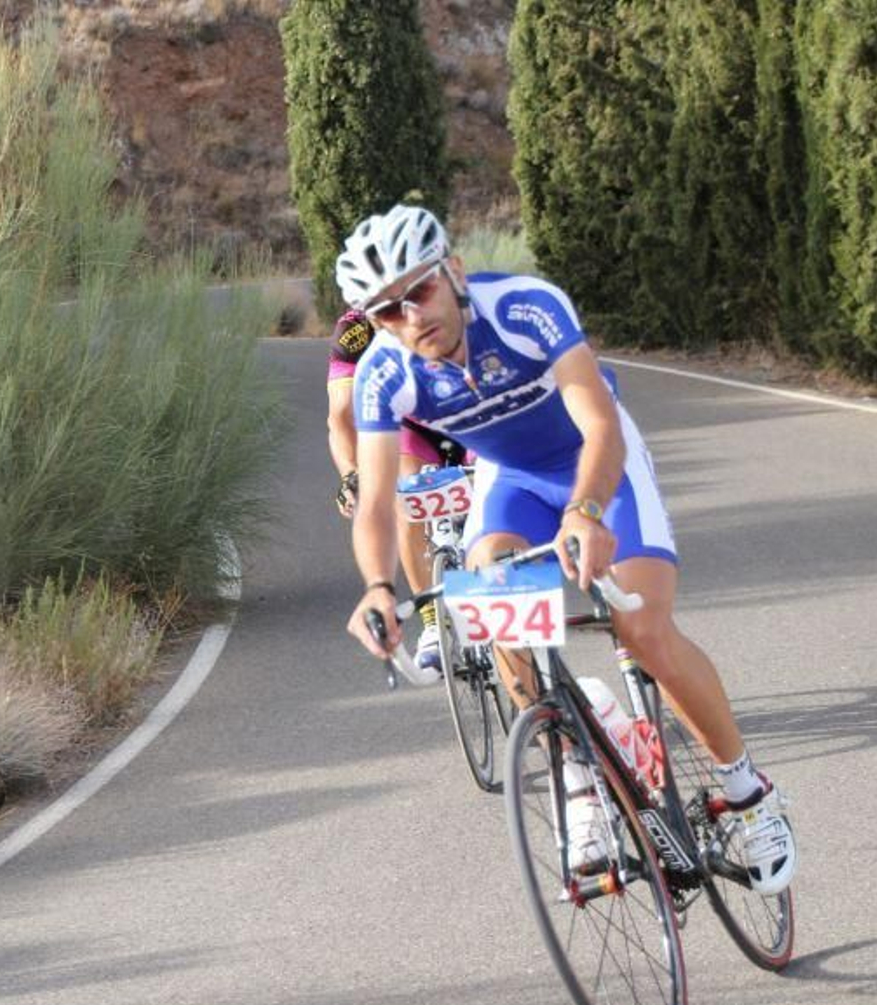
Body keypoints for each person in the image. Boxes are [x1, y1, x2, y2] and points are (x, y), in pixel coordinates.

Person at [339, 204, 795, 895]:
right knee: (491, 593)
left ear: (453, 272)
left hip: (595, 462)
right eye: (386, 312)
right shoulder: (383, 373)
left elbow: (598, 418)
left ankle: (747, 792)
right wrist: (376, 584)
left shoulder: (524, 307)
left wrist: (585, 509)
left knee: (642, 627)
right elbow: (375, 499)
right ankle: (578, 782)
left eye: (420, 292)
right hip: (512, 481)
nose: (410, 318)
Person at [326, 309, 467, 679]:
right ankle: (434, 623)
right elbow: (340, 416)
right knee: (403, 500)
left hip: (469, 419)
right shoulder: (353, 331)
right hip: (413, 428)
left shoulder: (439, 305)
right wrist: (350, 475)